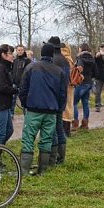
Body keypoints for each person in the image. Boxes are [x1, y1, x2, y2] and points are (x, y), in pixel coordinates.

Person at [18, 43, 67, 176]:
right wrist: (59, 109)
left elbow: (23, 88)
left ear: (41, 54)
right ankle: (42, 170)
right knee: (46, 139)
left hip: (33, 109)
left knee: (28, 138)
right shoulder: (59, 71)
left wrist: (25, 103)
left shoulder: (31, 67)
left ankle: (24, 171)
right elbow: (63, 94)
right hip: (51, 111)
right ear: (52, 55)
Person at [47, 36, 71, 163]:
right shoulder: (64, 60)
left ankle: (54, 156)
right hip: (63, 94)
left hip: (53, 96)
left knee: (54, 128)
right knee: (59, 127)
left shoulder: (53, 61)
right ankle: (61, 156)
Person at [73, 43, 96, 130]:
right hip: (89, 83)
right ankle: (85, 123)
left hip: (81, 83)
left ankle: (75, 123)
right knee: (85, 103)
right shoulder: (92, 59)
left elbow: (78, 71)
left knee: (74, 103)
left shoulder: (80, 59)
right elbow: (95, 72)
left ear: (81, 49)